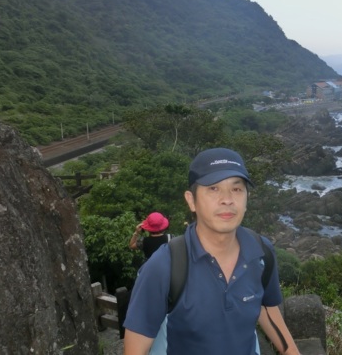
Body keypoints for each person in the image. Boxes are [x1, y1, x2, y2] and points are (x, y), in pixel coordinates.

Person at [123, 148, 300, 355]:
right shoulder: (164, 266)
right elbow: (136, 349)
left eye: (237, 189)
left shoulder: (261, 252)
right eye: (213, 188)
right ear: (191, 200)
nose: (227, 199)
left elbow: (265, 308)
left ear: (247, 198)